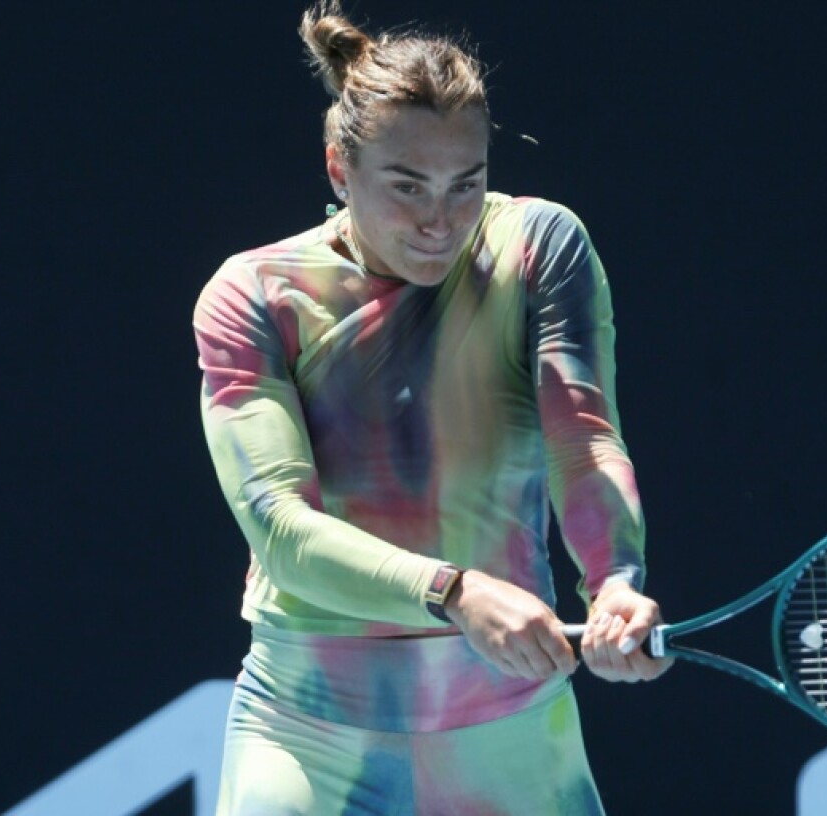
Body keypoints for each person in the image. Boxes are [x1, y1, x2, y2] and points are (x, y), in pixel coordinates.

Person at [193, 2, 671, 812]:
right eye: (407, 186)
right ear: (339, 170)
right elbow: (280, 529)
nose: (439, 222)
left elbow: (583, 441)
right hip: (309, 731)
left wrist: (615, 581)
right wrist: (455, 592)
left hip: (511, 728)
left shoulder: (538, 247)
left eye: (465, 184)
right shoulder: (254, 295)